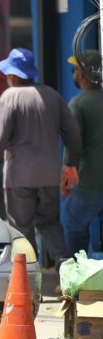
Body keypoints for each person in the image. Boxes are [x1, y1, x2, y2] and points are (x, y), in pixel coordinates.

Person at [0, 48, 82, 266]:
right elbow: (73, 135)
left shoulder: (9, 97)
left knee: (21, 229)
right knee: (50, 224)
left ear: (13, 75)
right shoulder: (53, 96)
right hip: (49, 176)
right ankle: (65, 268)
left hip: (19, 177)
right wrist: (71, 165)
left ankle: (28, 277)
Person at [63, 50, 103, 257]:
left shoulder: (78, 104)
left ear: (84, 73)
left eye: (75, 69)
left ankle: (77, 271)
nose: (74, 73)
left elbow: (73, 144)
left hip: (89, 180)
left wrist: (67, 177)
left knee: (73, 225)